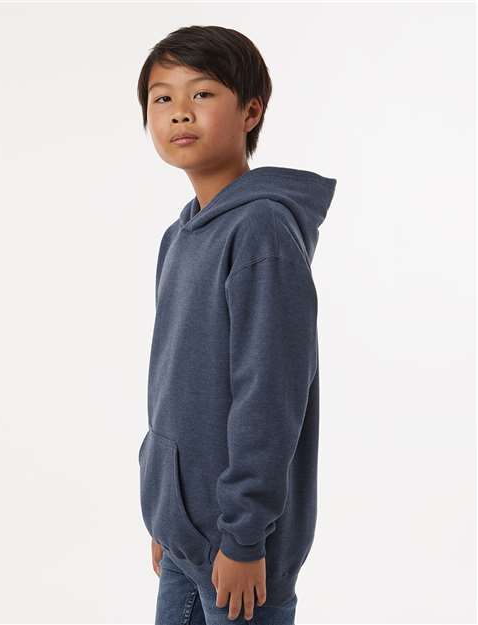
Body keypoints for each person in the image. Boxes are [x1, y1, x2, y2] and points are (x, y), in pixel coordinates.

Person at [136, 24, 337, 625]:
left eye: (201, 93)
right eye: (162, 97)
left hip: (240, 548)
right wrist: (166, 514)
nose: (180, 112)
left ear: (251, 111)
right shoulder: (180, 234)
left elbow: (270, 394)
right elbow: (173, 384)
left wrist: (245, 537)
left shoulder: (261, 231)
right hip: (185, 532)